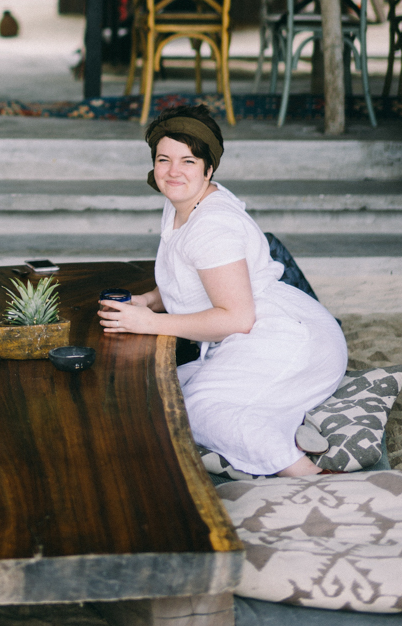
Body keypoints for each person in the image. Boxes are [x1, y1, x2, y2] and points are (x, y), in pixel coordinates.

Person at [98, 104, 347, 477]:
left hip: (289, 338)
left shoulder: (213, 225)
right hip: (264, 329)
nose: (173, 171)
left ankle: (311, 476)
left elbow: (237, 317)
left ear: (208, 168)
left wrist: (148, 323)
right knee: (162, 390)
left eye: (188, 161)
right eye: (164, 159)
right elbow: (190, 278)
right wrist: (149, 300)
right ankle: (281, 424)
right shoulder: (183, 200)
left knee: (196, 409)